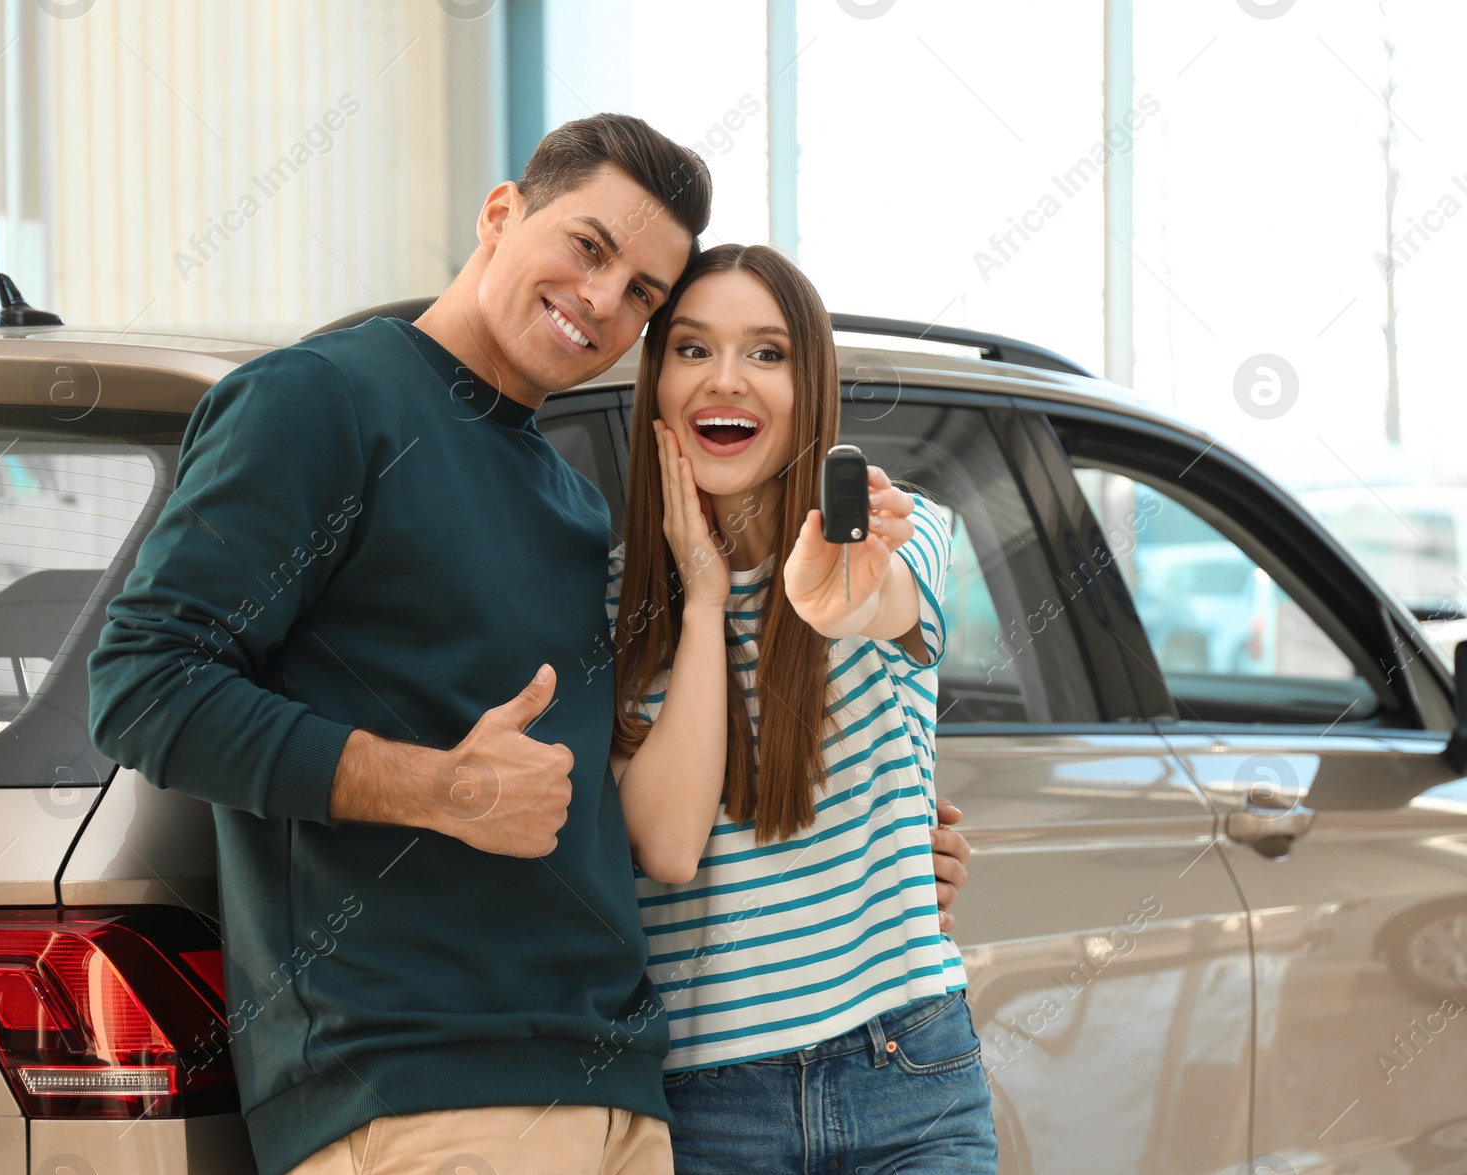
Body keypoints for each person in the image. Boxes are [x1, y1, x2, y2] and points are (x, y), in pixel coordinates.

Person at [88, 114, 711, 1175]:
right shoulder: (320, 400)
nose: (605, 302)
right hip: (417, 1092)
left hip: (610, 1084)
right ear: (501, 212)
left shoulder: (566, 497)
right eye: (589, 247)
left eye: (644, 292)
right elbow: (144, 683)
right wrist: (440, 788)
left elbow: (584, 791)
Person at [606, 243, 997, 1173]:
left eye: (768, 353)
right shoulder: (610, 604)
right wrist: (702, 598)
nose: (726, 380)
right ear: (655, 382)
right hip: (709, 1105)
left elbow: (873, 604)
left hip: (907, 1070)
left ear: (810, 383)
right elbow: (665, 844)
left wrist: (831, 600)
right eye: (692, 350)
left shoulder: (901, 533)